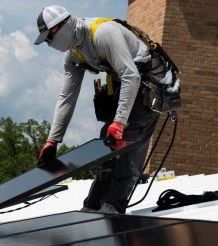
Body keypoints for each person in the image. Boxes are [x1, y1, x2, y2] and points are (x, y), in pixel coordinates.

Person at [34, 5, 160, 214]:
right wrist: (52, 141)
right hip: (128, 89)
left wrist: (119, 122)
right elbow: (67, 98)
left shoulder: (103, 33)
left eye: (49, 38)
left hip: (150, 87)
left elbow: (132, 76)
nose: (49, 44)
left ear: (62, 27)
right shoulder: (73, 56)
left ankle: (113, 206)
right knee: (106, 141)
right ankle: (93, 205)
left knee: (125, 141)